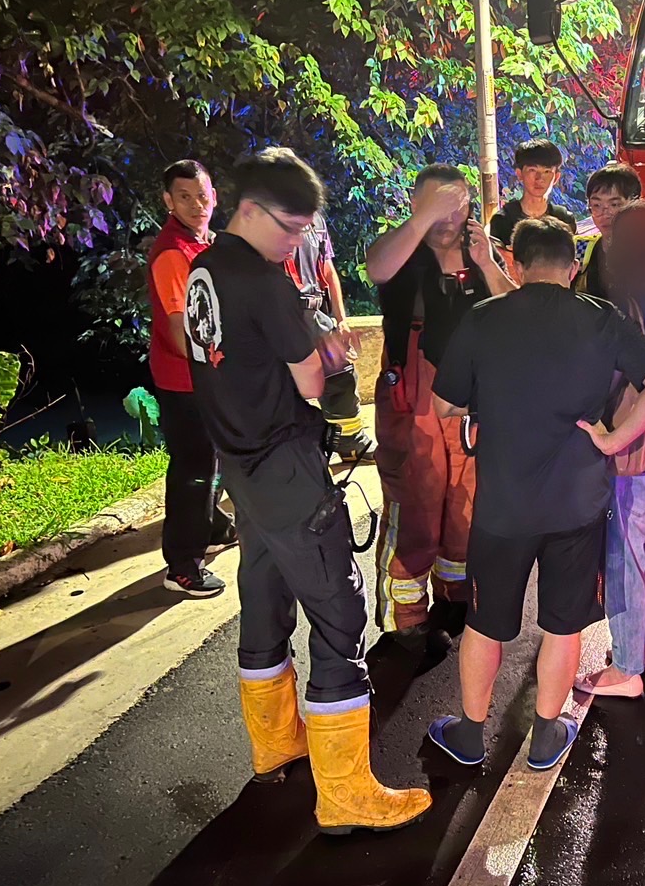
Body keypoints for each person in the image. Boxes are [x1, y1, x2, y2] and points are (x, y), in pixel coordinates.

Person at [185, 147, 431, 835]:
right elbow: (315, 382)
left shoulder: (205, 267)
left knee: (264, 600)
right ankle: (346, 794)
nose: (297, 243)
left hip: (240, 466)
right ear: (253, 210)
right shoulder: (263, 281)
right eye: (292, 229)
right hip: (287, 467)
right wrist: (327, 352)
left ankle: (275, 746)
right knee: (339, 613)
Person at [424, 218, 645, 769]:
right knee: (563, 625)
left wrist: (490, 402)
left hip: (503, 508)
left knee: (484, 623)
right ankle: (545, 735)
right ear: (572, 266)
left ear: (515, 264)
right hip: (578, 504)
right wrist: (614, 439)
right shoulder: (601, 317)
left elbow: (443, 404)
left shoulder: (484, 317)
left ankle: (469, 734)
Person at [364, 163, 515, 657]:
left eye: (457, 205)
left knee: (466, 506)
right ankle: (406, 618)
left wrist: (487, 262)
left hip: (473, 402)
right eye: (436, 205)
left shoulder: (482, 251)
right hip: (414, 402)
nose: (448, 218)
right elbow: (377, 268)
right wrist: (421, 220)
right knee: (416, 505)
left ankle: (455, 597)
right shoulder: (402, 251)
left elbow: (519, 311)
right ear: (415, 205)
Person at [576, 201, 645, 699]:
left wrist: (608, 437)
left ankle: (625, 667)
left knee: (623, 554)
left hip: (631, 447)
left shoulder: (622, 304)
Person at [147, 159, 236, 598]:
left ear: (214, 195)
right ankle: (182, 564)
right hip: (184, 380)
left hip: (207, 375)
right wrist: (219, 364)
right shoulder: (172, 253)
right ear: (169, 201)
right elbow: (180, 330)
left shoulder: (207, 243)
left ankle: (214, 526)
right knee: (192, 466)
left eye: (202, 195)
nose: (197, 204)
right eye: (184, 197)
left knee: (210, 459)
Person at [284, 210, 371, 463]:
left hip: (314, 312)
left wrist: (341, 320)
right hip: (283, 313)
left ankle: (349, 442)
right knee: (285, 385)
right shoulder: (271, 218)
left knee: (340, 372)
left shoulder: (317, 221)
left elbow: (328, 270)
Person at [573, 161, 644, 302]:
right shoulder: (580, 248)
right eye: (596, 205)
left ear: (635, 204)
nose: (605, 213)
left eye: (614, 204)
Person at [487, 139, 578, 247]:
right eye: (532, 170)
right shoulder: (503, 220)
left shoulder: (564, 218)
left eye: (547, 171)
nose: (539, 178)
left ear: (556, 177)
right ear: (519, 174)